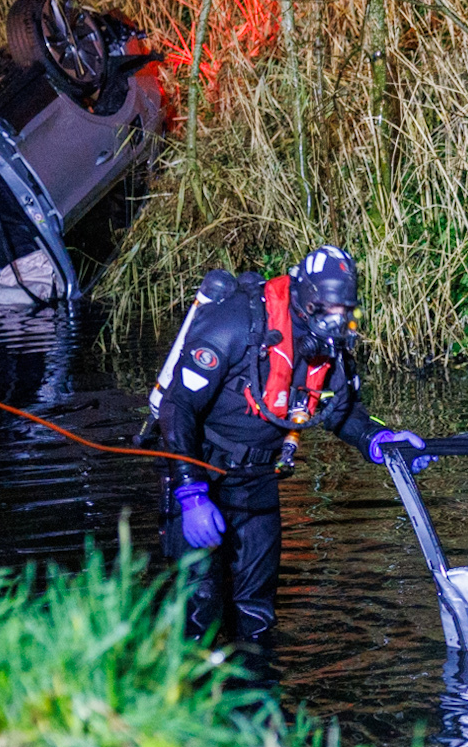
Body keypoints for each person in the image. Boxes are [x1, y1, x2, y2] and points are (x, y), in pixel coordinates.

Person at [156, 245, 423, 641]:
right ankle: (185, 693)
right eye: (326, 311)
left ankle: (260, 694)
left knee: (257, 613)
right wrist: (191, 492)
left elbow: (340, 410)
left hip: (258, 477)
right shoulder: (236, 323)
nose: (336, 323)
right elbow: (178, 408)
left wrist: (377, 439)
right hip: (200, 468)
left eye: (343, 312)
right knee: (199, 611)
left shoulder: (329, 345)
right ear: (302, 299)